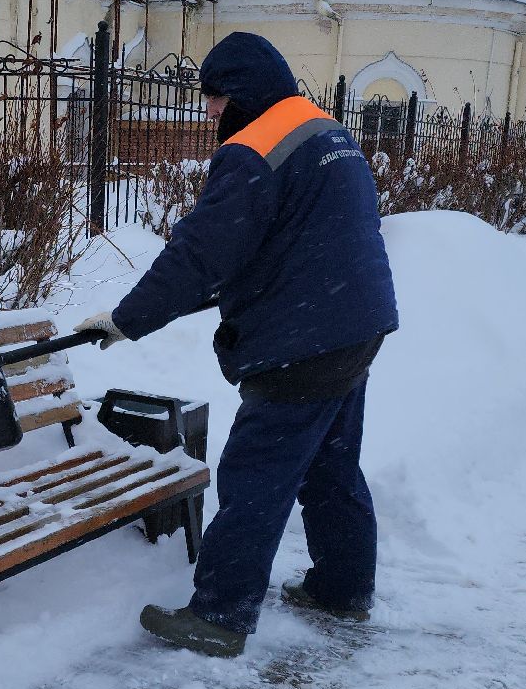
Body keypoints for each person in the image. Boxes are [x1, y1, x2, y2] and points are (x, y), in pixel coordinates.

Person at [76, 32, 399, 657]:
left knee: (256, 476)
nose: (209, 112)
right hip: (356, 325)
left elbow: (202, 255)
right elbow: (281, 240)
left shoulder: (255, 148)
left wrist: (125, 320)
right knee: (331, 463)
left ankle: (220, 616)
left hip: (303, 338)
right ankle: (343, 587)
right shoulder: (326, 131)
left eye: (214, 99)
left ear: (242, 93)